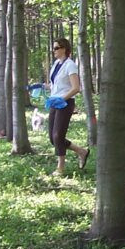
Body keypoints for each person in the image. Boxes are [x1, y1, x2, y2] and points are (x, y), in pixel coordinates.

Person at [45, 37, 90, 176]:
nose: (54, 51)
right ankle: (81, 151)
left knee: (58, 135)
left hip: (65, 102)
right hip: (55, 101)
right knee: (53, 138)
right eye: (53, 48)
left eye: (56, 48)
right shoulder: (56, 64)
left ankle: (60, 167)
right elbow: (55, 85)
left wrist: (61, 99)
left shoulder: (70, 65)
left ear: (64, 48)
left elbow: (76, 88)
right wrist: (41, 87)